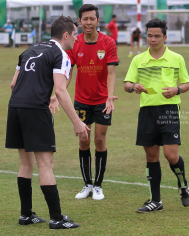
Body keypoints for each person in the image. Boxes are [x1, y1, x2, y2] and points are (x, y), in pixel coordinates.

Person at [5, 16, 89, 229]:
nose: (76, 38)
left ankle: (26, 215)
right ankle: (57, 218)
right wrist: (77, 122)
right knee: (46, 164)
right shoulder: (60, 54)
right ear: (66, 35)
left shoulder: (29, 50)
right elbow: (60, 90)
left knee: (25, 163)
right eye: (75, 34)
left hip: (15, 108)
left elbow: (14, 84)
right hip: (35, 110)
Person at [50, 4, 118, 200]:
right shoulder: (75, 43)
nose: (88, 22)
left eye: (92, 19)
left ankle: (98, 186)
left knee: (99, 140)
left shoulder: (108, 42)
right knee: (83, 140)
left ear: (98, 21)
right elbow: (68, 73)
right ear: (79, 22)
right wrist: (58, 92)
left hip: (103, 101)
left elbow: (112, 73)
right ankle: (87, 184)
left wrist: (109, 96)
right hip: (81, 100)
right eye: (85, 19)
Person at [124, 18, 189, 213]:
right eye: (149, 36)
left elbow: (187, 84)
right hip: (147, 111)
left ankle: (183, 184)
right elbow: (127, 84)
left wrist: (176, 90)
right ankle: (155, 201)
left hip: (169, 110)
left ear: (165, 37)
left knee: (171, 155)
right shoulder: (139, 59)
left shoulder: (176, 58)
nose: (152, 40)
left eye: (156, 36)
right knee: (151, 156)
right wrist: (133, 88)